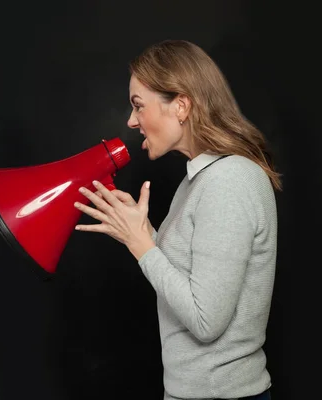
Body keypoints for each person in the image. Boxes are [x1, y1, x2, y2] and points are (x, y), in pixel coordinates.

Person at [74, 39, 280, 400]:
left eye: (139, 105)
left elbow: (205, 322)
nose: (131, 120)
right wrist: (139, 232)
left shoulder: (228, 181)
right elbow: (192, 276)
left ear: (181, 105)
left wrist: (143, 246)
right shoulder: (200, 179)